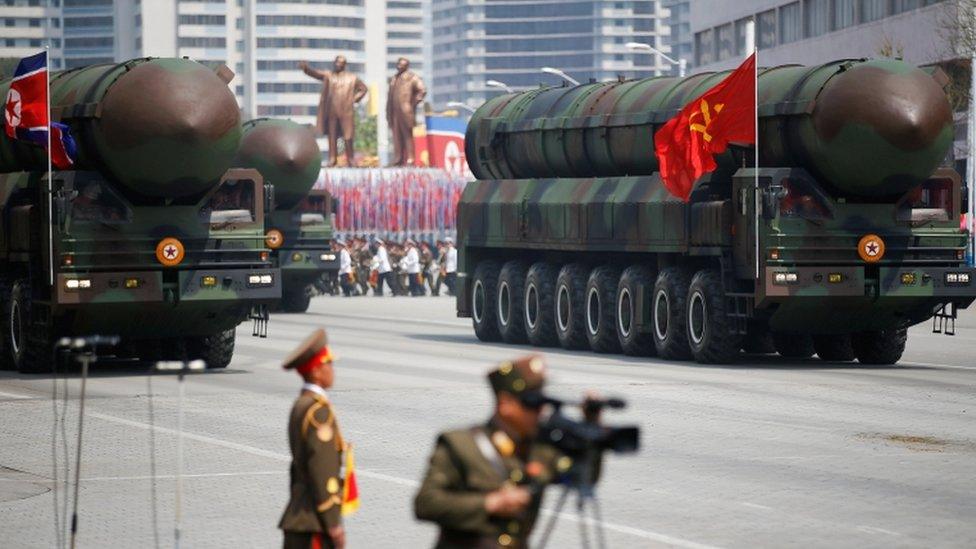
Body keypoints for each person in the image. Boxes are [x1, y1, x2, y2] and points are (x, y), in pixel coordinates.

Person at [414, 354, 600, 548]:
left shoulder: (540, 451)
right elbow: (426, 503)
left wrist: (592, 426)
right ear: (505, 404)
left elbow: (585, 477)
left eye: (542, 403)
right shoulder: (461, 445)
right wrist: (490, 503)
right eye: (532, 404)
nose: (541, 412)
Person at [279, 329, 347, 549]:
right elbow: (322, 469)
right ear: (317, 370)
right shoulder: (319, 412)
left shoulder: (301, 404)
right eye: (329, 364)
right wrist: (333, 523)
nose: (332, 370)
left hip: (298, 516)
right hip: (314, 522)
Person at [300, 56, 368, 167]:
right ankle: (333, 159)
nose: (337, 64)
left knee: (348, 135)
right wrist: (306, 69)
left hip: (346, 111)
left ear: (345, 65)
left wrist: (354, 99)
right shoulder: (329, 76)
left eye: (340, 62)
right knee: (332, 136)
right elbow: (316, 74)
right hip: (332, 111)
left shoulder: (352, 78)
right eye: (336, 62)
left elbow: (363, 89)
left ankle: (350, 159)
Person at [386, 57, 427, 166]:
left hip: (406, 110)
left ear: (406, 66)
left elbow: (422, 90)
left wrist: (414, 102)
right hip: (394, 111)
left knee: (407, 135)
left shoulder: (412, 77)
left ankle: (410, 158)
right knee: (396, 136)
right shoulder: (394, 78)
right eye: (398, 64)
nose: (398, 66)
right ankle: (398, 158)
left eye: (401, 64)